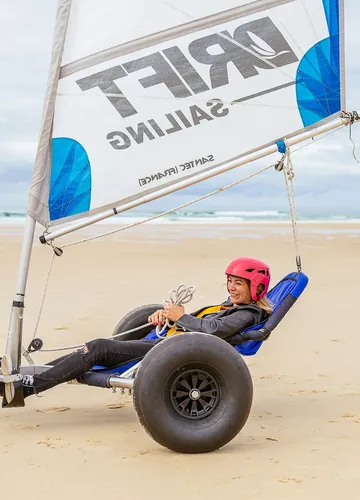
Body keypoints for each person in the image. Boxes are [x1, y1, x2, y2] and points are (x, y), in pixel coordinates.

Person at [1, 257, 272, 404]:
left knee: (97, 348)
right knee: (93, 350)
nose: (231, 288)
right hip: (168, 342)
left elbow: (214, 332)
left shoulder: (248, 313)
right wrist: (166, 318)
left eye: (239, 283)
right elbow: (202, 325)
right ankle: (28, 379)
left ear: (256, 287)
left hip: (171, 352)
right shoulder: (229, 306)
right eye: (230, 282)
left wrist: (182, 316)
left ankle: (31, 386)